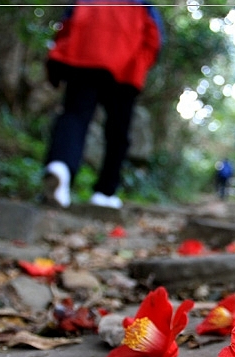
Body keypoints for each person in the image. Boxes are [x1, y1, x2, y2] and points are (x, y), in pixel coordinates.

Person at [42, 0, 163, 209]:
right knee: (118, 132)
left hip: (84, 59)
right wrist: (139, 63)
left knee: (74, 116)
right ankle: (105, 192)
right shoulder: (142, 5)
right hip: (125, 68)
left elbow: (66, 25)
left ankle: (60, 166)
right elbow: (154, 40)